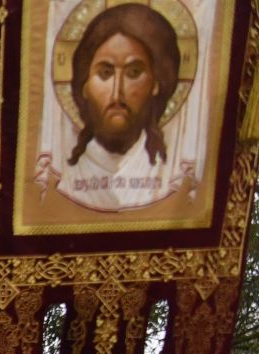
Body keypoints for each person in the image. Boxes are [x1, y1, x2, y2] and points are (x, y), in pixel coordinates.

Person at [56, 5, 182, 211]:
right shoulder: (59, 177)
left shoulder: (172, 173)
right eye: (105, 73)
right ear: (85, 85)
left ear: (156, 84)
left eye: (133, 72)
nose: (117, 93)